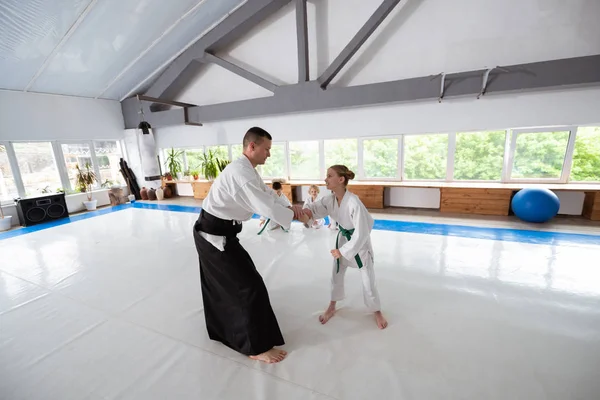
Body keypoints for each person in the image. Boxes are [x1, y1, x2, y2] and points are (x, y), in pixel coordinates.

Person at [193, 127, 306, 364]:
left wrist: (292, 208)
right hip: (213, 236)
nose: (269, 154)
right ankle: (255, 346)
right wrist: (294, 215)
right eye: (266, 149)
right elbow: (265, 207)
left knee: (229, 284)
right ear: (252, 146)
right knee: (248, 286)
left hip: (220, 232)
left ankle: (223, 330)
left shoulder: (247, 169)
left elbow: (267, 195)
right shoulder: (241, 173)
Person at [300, 165, 388, 329]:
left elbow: (362, 232)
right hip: (342, 239)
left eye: (329, 176)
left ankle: (376, 310)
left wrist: (343, 251)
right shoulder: (330, 199)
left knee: (368, 278)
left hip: (359, 243)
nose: (325, 179)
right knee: (336, 273)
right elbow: (314, 208)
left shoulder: (354, 201)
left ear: (341, 180)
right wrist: (302, 212)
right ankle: (332, 305)